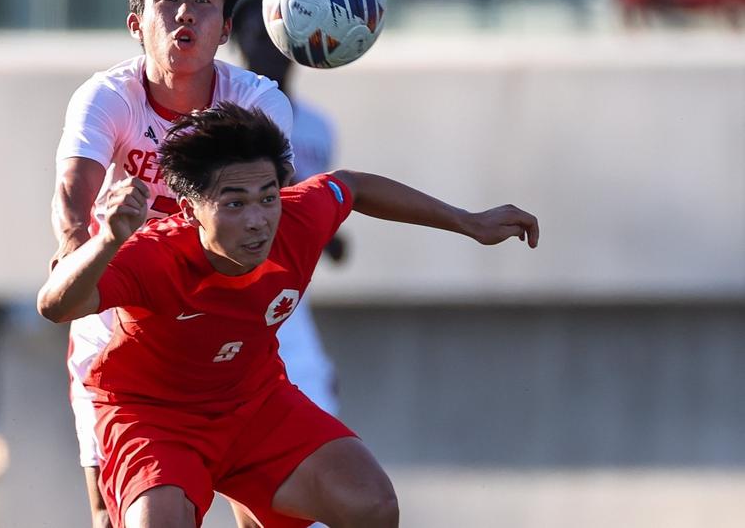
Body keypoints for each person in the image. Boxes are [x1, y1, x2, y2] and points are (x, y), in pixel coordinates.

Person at [38, 103, 540, 528]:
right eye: (233, 203)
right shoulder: (153, 255)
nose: (257, 220)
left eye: (267, 198)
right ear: (190, 210)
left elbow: (353, 186)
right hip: (153, 417)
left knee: (372, 503)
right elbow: (55, 306)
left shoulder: (298, 218)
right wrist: (106, 239)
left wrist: (468, 221)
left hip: (254, 403)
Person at [51, 0, 294, 528]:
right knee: (113, 517)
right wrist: (76, 257)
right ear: (137, 24)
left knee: (259, 502)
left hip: (217, 321)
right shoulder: (107, 96)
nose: (185, 12)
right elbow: (71, 200)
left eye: (203, 0)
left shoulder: (258, 102)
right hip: (118, 333)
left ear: (226, 25)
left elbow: (276, 214)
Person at [231, 0, 344, 417]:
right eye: (255, 36)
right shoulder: (221, 118)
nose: (265, 47)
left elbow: (310, 212)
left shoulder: (318, 127)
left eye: (275, 37)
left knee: (320, 418)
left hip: (289, 302)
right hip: (232, 296)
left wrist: (331, 235)